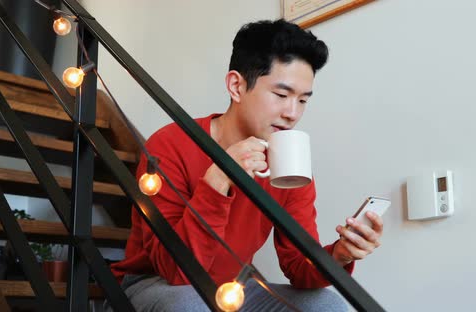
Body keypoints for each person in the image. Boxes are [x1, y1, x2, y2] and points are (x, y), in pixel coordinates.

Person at [108, 19, 384, 311]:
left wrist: (340, 254)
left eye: (303, 100)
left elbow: (297, 266)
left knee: (327, 306)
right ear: (236, 86)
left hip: (234, 288)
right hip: (157, 283)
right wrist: (218, 179)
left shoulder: (289, 164)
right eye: (281, 95)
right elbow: (175, 270)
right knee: (189, 306)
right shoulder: (170, 144)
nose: (293, 113)